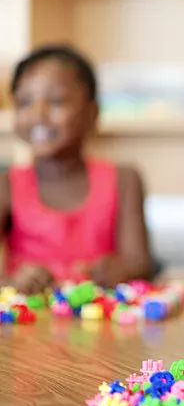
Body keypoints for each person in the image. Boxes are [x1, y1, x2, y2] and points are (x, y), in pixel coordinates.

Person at [0, 45, 155, 294]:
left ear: (92, 114)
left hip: (106, 328)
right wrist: (13, 282)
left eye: (57, 101)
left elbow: (141, 263)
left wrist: (119, 270)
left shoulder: (124, 179)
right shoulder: (6, 185)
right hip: (27, 328)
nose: (38, 114)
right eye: (25, 102)